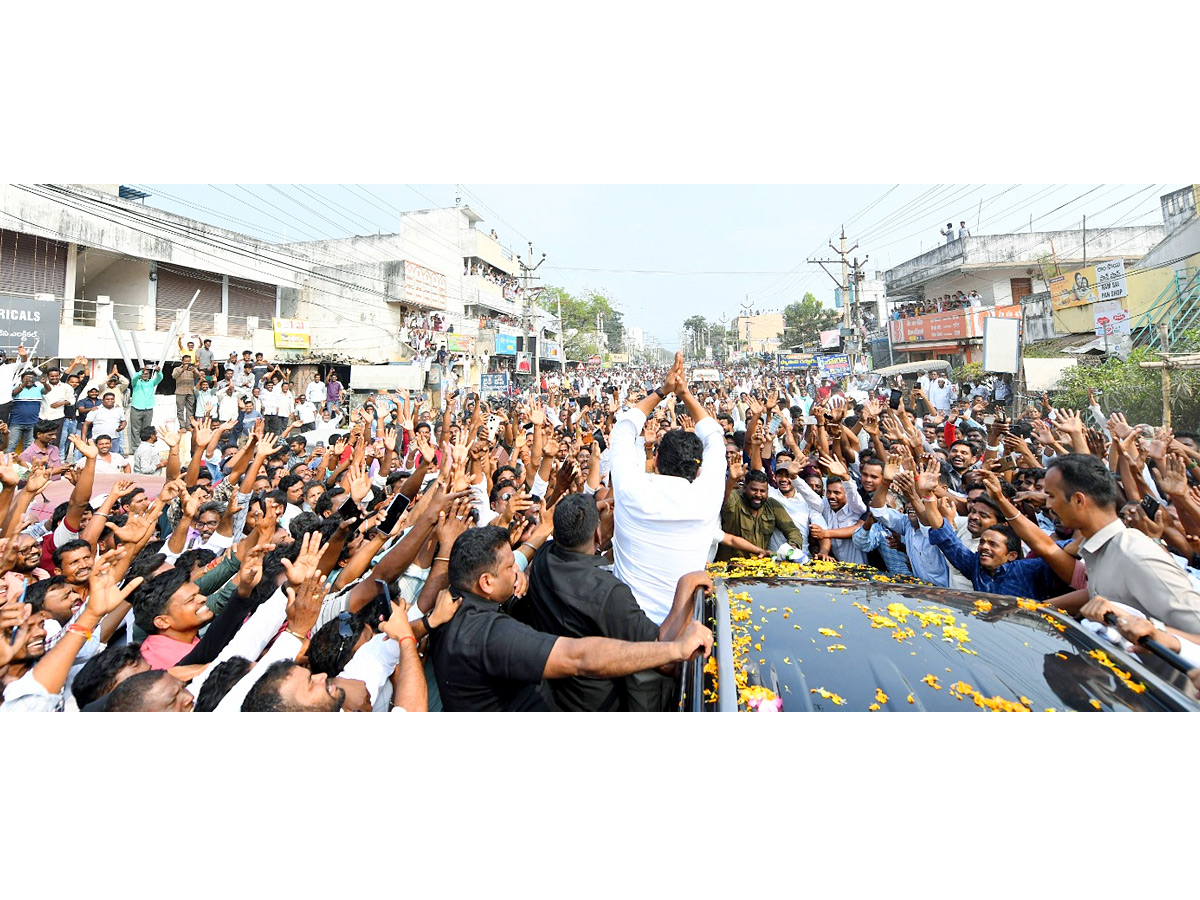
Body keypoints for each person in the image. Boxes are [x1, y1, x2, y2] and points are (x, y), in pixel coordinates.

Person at [429, 526, 713, 712]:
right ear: (486, 583)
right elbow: (579, 658)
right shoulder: (490, 635)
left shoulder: (447, 608)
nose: (517, 569)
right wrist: (675, 649)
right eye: (509, 566)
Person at [514, 493, 712, 712]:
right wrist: (685, 587)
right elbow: (664, 660)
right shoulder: (607, 592)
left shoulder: (543, 557)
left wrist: (589, 515)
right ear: (598, 534)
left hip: (555, 695)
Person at [609, 352, 726, 625]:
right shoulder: (706, 499)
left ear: (657, 459)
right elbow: (715, 438)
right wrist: (684, 394)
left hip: (628, 633)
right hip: (685, 634)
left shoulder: (631, 490)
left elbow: (623, 430)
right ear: (698, 470)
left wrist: (663, 391)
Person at [1044, 453, 1200, 632]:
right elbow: (1104, 595)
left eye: (1051, 496)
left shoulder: (1136, 556)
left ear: (1079, 500)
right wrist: (1035, 607)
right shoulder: (1102, 549)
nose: (1048, 505)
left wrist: (1148, 630)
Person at [719, 470, 809, 562]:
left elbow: (792, 530)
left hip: (760, 566)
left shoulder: (772, 505)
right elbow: (725, 500)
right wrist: (731, 480)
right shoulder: (735, 499)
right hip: (729, 566)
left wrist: (791, 549)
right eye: (754, 490)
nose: (758, 495)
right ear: (744, 488)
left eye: (762, 491)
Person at [128, 364, 163, 455]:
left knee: (146, 430)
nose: (145, 375)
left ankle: (145, 448)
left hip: (148, 408)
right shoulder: (136, 383)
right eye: (144, 374)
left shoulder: (151, 382)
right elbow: (135, 377)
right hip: (137, 407)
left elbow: (160, 378)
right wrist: (141, 371)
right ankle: (136, 449)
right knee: (135, 430)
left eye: (147, 374)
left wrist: (158, 371)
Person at [173, 357, 197, 430]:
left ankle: (188, 425)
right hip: (180, 391)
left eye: (189, 361)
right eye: (186, 361)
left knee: (190, 409)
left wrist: (195, 371)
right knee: (180, 410)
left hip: (190, 391)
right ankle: (182, 425)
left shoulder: (192, 369)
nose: (187, 362)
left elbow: (199, 376)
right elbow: (174, 376)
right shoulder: (177, 369)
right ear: (182, 361)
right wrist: (182, 369)